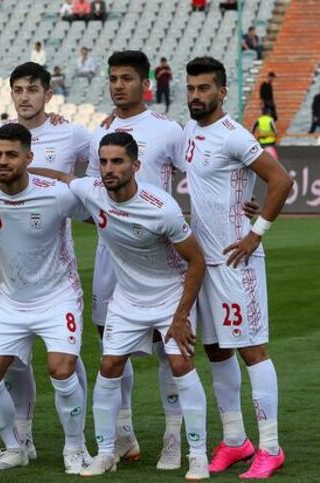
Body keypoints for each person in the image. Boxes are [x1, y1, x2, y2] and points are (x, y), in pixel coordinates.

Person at [62, 132, 210, 480]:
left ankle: (198, 455)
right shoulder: (93, 191)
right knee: (110, 365)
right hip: (127, 299)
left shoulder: (162, 208)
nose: (108, 168)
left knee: (180, 363)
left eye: (117, 161)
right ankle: (106, 453)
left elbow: (196, 262)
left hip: (169, 295)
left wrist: (180, 317)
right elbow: (60, 178)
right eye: (103, 161)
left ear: (135, 165)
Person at [0, 63, 91, 461]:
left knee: (61, 367)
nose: (2, 161)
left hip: (57, 290)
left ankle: (75, 448)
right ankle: (15, 447)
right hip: (11, 295)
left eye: (32, 89)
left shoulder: (60, 183)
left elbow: (98, 197)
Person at [184, 56, 293, 479]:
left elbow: (281, 181)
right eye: (192, 88)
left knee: (251, 350)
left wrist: (256, 232)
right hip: (203, 261)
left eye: (204, 88)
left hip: (236, 258)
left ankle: (271, 447)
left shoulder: (233, 135)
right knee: (215, 348)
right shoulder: (191, 130)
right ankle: (235, 441)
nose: (196, 95)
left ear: (222, 91)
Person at [84, 51, 188, 470]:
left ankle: (173, 436)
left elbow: (194, 177)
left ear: (145, 83)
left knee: (170, 348)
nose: (117, 85)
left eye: (126, 78)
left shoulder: (167, 130)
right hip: (110, 251)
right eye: (112, 78)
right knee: (110, 340)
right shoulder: (99, 133)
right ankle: (123, 434)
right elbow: (92, 183)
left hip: (159, 256)